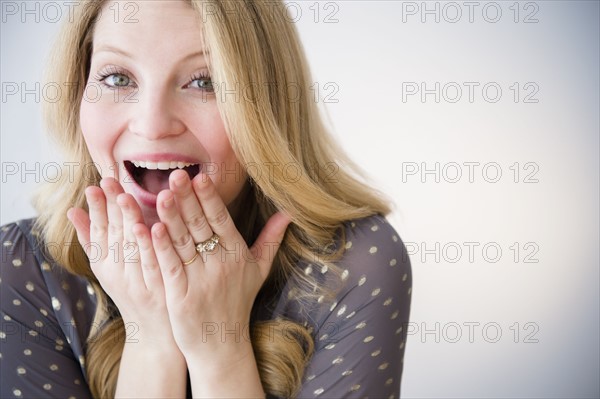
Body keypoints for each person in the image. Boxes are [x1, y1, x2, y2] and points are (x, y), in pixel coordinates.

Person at [0, 0, 412, 397]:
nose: (153, 124)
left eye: (205, 81)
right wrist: (153, 340)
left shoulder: (353, 264)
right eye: (117, 78)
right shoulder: (18, 270)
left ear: (266, 108)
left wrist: (220, 350)